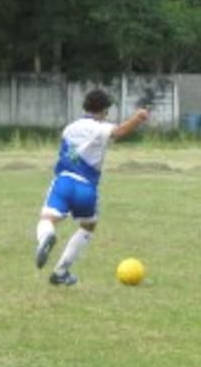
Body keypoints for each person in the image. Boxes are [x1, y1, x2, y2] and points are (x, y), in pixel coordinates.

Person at [35, 89, 149, 285]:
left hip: (64, 181)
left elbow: (70, 153)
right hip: (86, 188)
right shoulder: (100, 128)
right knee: (88, 226)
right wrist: (138, 118)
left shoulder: (69, 128)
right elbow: (119, 132)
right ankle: (61, 272)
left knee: (48, 218)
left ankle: (47, 236)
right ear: (104, 110)